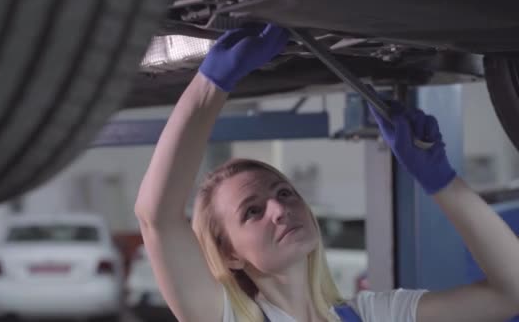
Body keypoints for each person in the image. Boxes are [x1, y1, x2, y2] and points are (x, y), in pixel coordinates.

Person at [134, 24, 519, 322]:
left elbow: (511, 294)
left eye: (284, 193)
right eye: (251, 211)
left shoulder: (373, 315)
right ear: (230, 255)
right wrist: (210, 84)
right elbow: (157, 217)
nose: (279, 209)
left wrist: (442, 181)